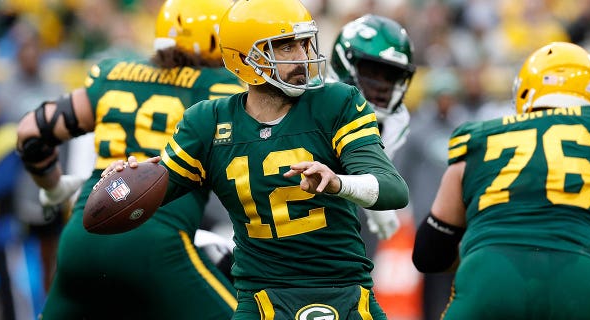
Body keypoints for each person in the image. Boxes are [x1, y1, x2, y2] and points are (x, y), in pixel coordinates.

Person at [105, 0, 409, 319]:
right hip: (262, 298)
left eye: (305, 43)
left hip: (345, 290)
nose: (303, 57)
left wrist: (338, 183)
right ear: (245, 59)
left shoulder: (337, 103)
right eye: (287, 47)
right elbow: (150, 193)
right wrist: (123, 184)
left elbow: (393, 189)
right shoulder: (208, 122)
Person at [15, 0, 245, 318]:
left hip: (83, 237)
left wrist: (54, 188)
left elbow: (30, 132)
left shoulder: (115, 73)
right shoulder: (221, 88)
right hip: (156, 243)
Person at [412, 41, 590, 319]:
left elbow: (428, 254)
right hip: (579, 278)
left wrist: (483, 249)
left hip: (489, 277)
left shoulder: (479, 137)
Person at [328, 14, 415, 245]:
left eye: (391, 77)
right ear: (344, 63)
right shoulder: (320, 106)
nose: (382, 86)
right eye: (372, 73)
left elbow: (368, 172)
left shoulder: (395, 121)